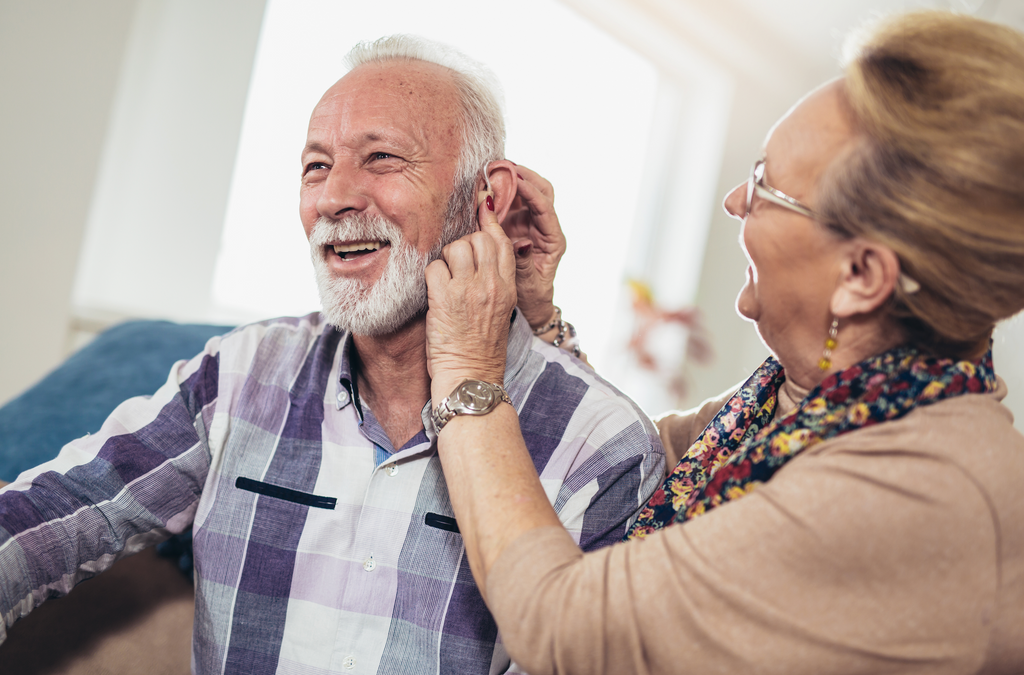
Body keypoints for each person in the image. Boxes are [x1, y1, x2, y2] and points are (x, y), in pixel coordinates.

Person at [0, 35, 664, 674]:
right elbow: (49, 514)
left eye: (382, 159)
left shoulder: (603, 448)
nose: (334, 198)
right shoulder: (241, 373)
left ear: (486, 198)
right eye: (316, 166)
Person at [424, 11, 1024, 674]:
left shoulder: (919, 490)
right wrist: (540, 324)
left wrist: (465, 373)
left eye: (768, 186)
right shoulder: (810, 406)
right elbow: (631, 466)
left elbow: (568, 624)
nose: (738, 200)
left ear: (860, 276)